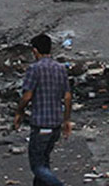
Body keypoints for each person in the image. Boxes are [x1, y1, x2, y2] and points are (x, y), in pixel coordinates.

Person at [12, 34, 72, 186]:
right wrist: (66, 120)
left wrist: (19, 112)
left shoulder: (34, 69)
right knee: (44, 161)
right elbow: (67, 97)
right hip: (56, 124)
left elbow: (27, 96)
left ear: (35, 51)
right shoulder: (61, 69)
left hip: (41, 125)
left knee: (37, 166)